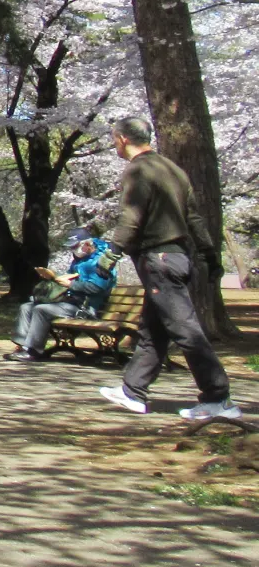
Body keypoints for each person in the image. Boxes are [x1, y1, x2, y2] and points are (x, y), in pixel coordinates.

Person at [99, 117, 241, 421]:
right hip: (177, 257)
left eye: (114, 139)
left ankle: (218, 398)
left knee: (184, 329)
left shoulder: (137, 170)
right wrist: (208, 252)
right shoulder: (174, 170)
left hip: (158, 260)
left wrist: (110, 255)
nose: (114, 144)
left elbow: (131, 218)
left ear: (122, 139)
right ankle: (132, 392)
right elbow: (194, 217)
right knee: (153, 330)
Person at [4, 229, 114, 361]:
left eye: (75, 246)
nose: (73, 250)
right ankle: (23, 347)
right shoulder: (79, 261)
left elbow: (98, 288)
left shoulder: (101, 262)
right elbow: (71, 277)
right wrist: (56, 278)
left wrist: (70, 285)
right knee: (27, 307)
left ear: (87, 244)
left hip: (85, 307)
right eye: (71, 247)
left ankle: (33, 351)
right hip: (69, 301)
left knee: (41, 310)